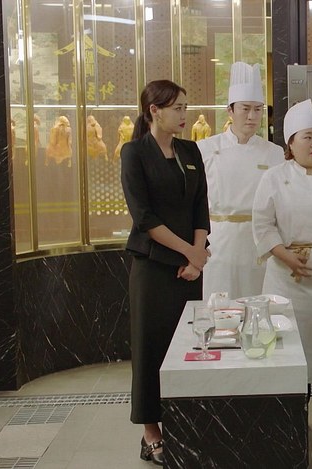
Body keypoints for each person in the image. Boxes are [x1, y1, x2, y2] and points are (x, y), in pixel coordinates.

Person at [120, 80, 210, 466]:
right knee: (151, 348)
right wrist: (190, 252)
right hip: (154, 267)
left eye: (185, 107)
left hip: (190, 269)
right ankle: (151, 432)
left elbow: (201, 205)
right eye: (177, 108)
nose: (184, 115)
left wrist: (197, 257)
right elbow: (144, 217)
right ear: (154, 111)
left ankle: (185, 424)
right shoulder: (134, 153)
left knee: (189, 346)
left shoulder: (190, 151)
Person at [252, 99, 312, 436]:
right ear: (290, 143)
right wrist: (286, 256)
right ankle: (296, 410)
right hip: (285, 277)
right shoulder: (275, 177)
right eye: (308, 137)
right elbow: (262, 224)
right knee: (291, 345)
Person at [197, 62, 284, 300]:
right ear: (230, 111)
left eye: (258, 109)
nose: (252, 116)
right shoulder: (205, 149)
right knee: (221, 305)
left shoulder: (274, 152)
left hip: (259, 241)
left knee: (259, 304)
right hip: (219, 242)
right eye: (245, 109)